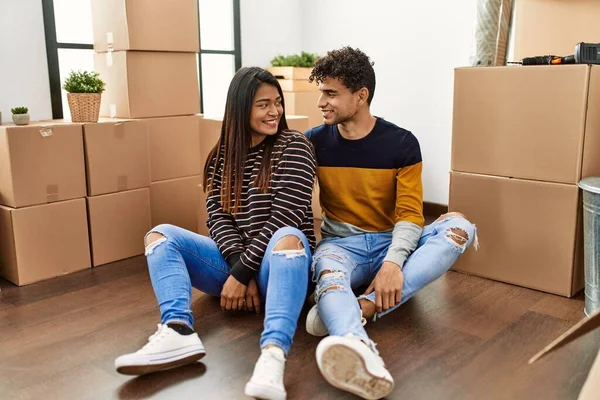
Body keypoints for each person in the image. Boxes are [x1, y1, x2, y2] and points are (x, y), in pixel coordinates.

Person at [115, 67, 317, 400]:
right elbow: (218, 220)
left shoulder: (295, 146)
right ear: (240, 108)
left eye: (277, 103)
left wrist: (242, 273)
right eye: (263, 104)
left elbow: (287, 214)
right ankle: (177, 329)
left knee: (288, 235)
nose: (275, 112)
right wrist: (239, 270)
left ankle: (273, 354)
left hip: (285, 266)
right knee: (160, 235)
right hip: (238, 265)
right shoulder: (220, 157)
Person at [304, 47, 478, 400]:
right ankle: (359, 346)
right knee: (328, 274)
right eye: (321, 92)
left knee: (460, 229)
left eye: (331, 93)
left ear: (361, 95)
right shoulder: (313, 142)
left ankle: (362, 306)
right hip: (339, 247)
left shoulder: (401, 143)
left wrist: (393, 262)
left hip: (389, 239)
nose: (321, 101)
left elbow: (411, 214)